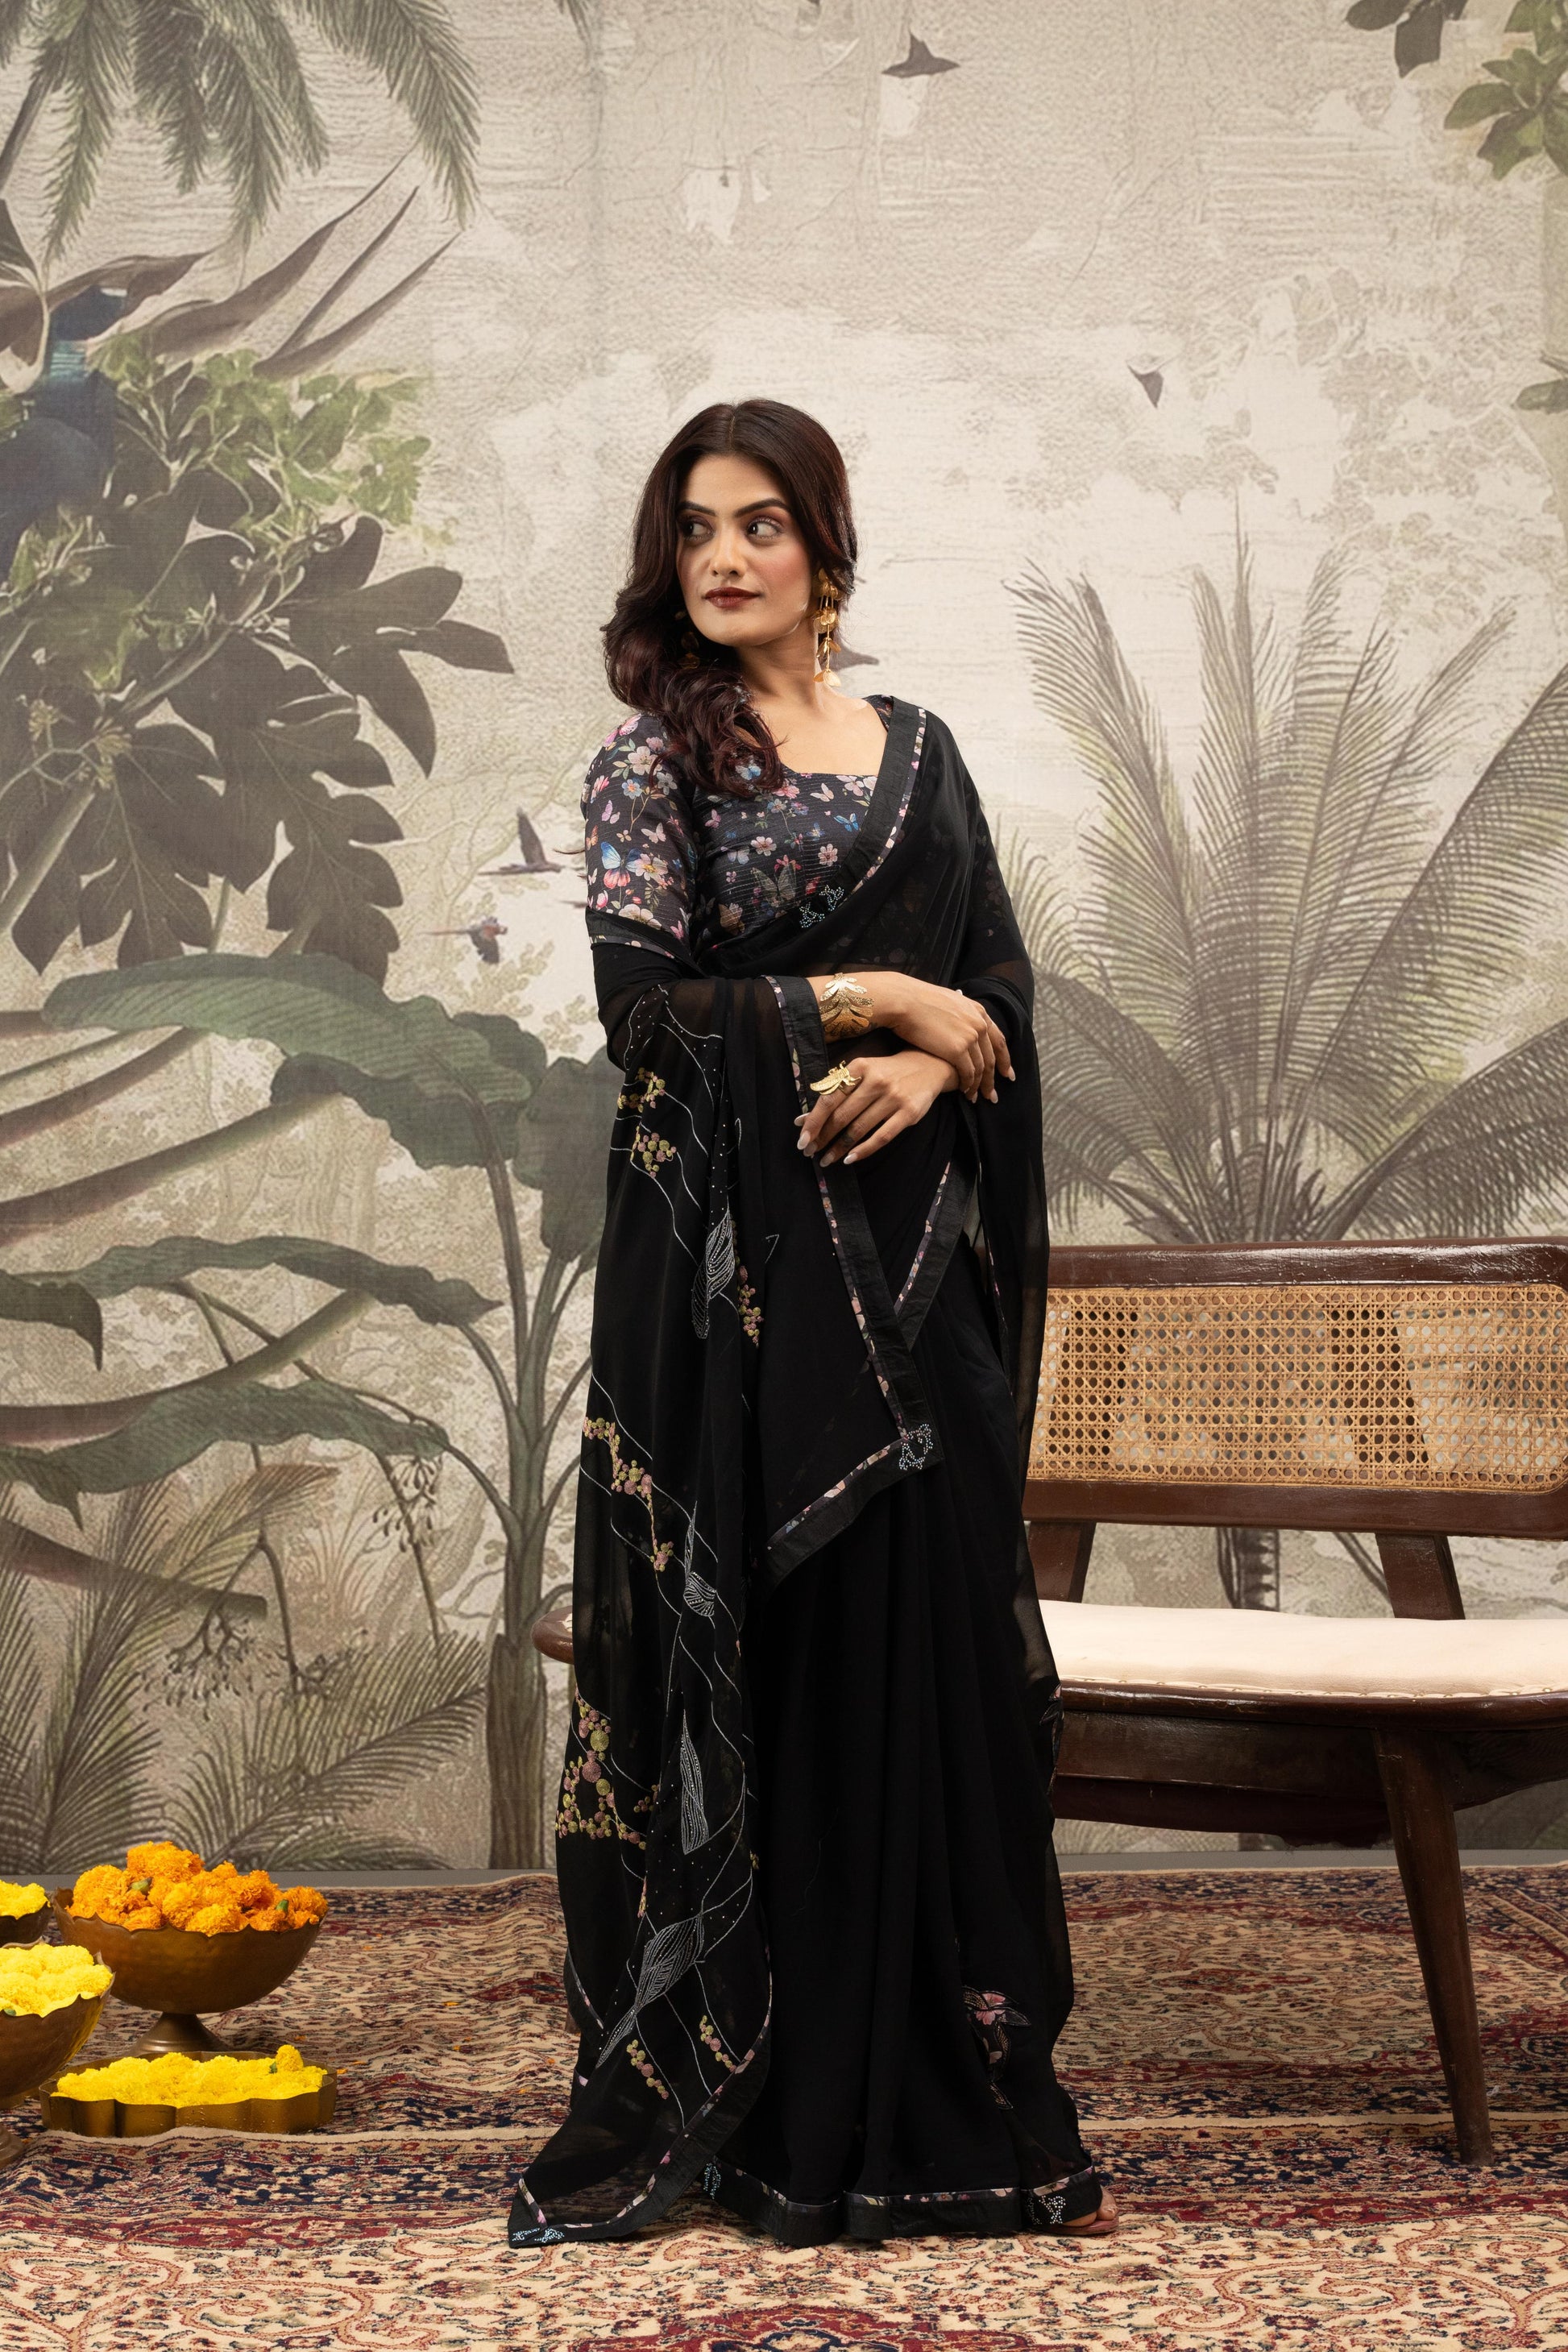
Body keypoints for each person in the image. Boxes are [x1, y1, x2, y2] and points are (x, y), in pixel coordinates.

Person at [509, 399, 1114, 2249]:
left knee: (924, 1661)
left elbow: (997, 991)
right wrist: (877, 999)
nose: (723, 555)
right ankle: (775, 2101)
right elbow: (644, 1013)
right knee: (793, 1664)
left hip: (916, 1280)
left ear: (822, 546)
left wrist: (933, 1064)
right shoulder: (651, 770)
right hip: (742, 1303)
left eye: (759, 522)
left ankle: (945, 2088)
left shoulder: (922, 757)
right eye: (694, 527)